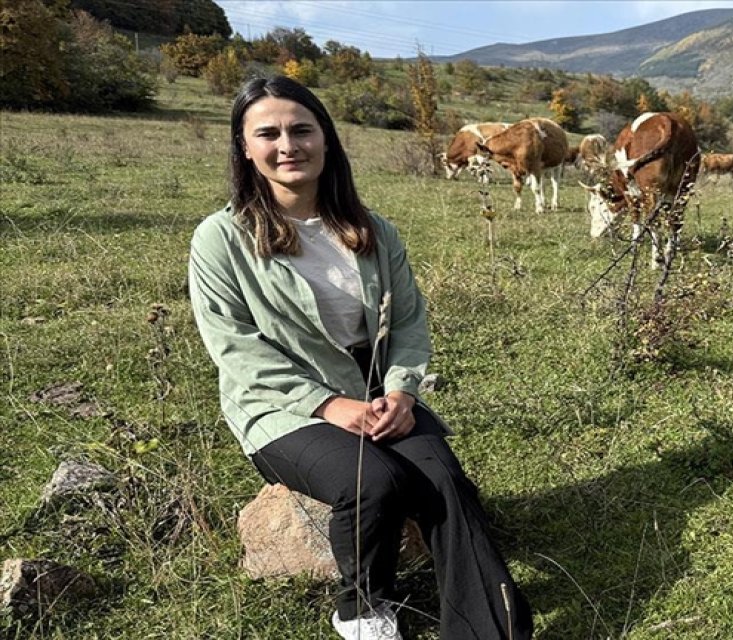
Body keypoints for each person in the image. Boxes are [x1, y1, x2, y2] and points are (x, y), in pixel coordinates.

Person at [188, 75, 533, 640]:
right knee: (371, 480)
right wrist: (327, 405)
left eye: (302, 130)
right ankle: (364, 614)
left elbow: (409, 324)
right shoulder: (220, 239)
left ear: (326, 140)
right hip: (279, 407)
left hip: (374, 388)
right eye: (268, 133)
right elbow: (234, 347)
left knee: (444, 480)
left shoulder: (372, 231)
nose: (288, 145)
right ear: (245, 149)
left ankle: (489, 632)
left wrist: (402, 392)